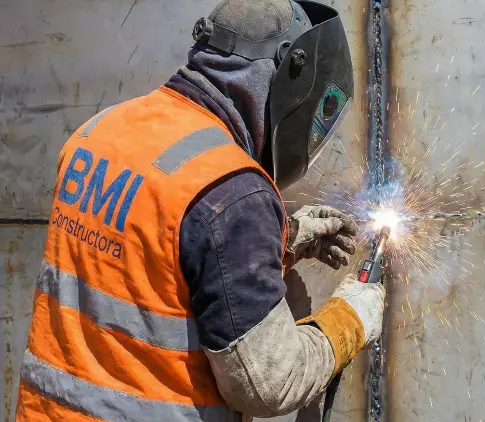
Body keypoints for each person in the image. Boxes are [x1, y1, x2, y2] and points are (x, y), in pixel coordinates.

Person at [15, 1, 385, 421]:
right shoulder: (232, 191)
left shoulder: (100, 132)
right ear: (290, 76)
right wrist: (349, 319)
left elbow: (151, 260)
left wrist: (281, 241)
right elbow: (268, 385)